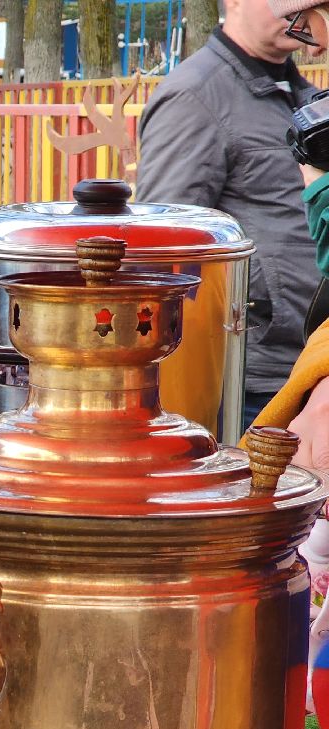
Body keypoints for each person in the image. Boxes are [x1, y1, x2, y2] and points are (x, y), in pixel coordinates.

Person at [136, 0, 321, 429]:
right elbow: (163, 246)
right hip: (247, 377)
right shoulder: (195, 96)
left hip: (306, 360)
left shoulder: (303, 96)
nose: (295, 10)